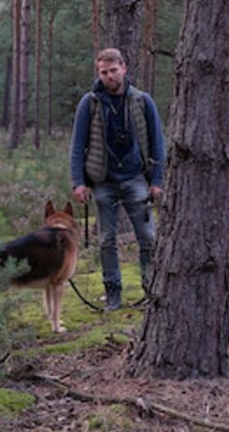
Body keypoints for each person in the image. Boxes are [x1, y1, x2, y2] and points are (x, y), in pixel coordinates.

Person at [69, 47, 165, 311]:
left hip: (136, 179)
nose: (109, 76)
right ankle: (113, 294)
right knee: (106, 241)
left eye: (113, 70)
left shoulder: (142, 101)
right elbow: (77, 146)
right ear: (98, 73)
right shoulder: (89, 104)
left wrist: (157, 181)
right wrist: (78, 182)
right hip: (103, 182)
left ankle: (151, 289)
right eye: (104, 72)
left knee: (147, 237)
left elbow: (158, 144)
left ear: (124, 68)